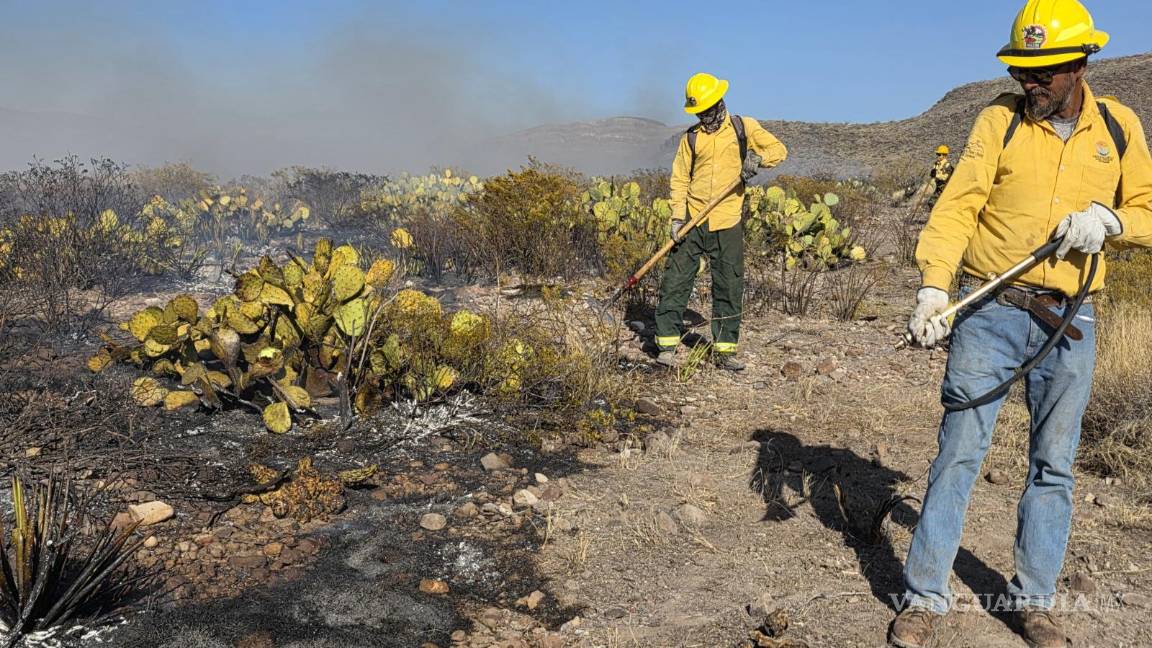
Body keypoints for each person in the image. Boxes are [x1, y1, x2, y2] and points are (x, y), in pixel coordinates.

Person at [893, 1, 1152, 647]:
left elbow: (1148, 210)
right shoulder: (997, 122)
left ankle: (1034, 600)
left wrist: (1113, 223)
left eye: (1043, 74)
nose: (1029, 84)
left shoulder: (1118, 127)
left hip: (1072, 321)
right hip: (988, 311)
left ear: (1080, 65)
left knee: (1054, 467)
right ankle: (924, 599)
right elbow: (959, 207)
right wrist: (932, 290)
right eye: (1022, 72)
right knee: (958, 454)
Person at [655, 72, 787, 371]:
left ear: (718, 102)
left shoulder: (744, 127)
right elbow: (679, 179)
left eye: (706, 110)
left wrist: (756, 161)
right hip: (692, 219)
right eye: (698, 112)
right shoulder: (691, 137)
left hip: (727, 219)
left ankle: (725, 351)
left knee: (728, 285)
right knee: (675, 282)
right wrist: (677, 218)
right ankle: (665, 345)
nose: (703, 116)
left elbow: (778, 150)